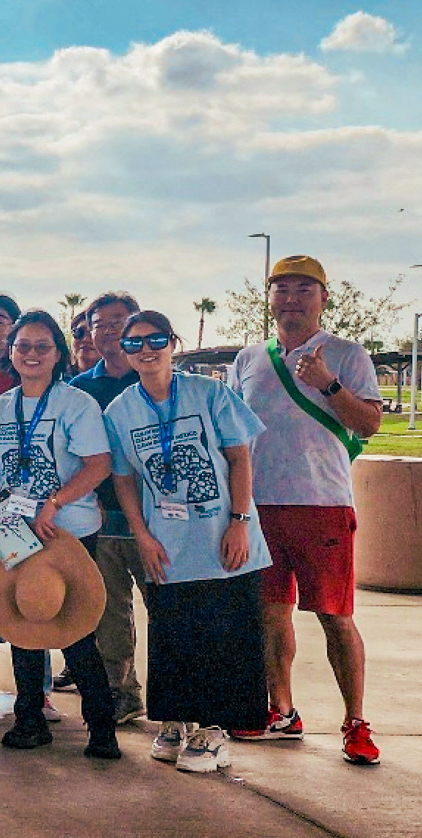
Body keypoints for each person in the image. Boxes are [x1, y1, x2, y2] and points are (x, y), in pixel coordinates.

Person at [228, 256, 383, 764]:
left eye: (304, 289)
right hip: (260, 504)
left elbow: (369, 425)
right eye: (281, 289)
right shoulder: (249, 359)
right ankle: (281, 711)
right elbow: (231, 433)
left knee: (335, 615)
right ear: (269, 298)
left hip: (323, 504)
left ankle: (356, 722)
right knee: (270, 614)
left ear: (324, 298)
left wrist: (328, 383)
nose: (291, 298)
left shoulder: (347, 354)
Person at [105, 310, 271, 774]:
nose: (146, 349)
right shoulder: (121, 411)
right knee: (174, 633)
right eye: (134, 343)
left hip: (222, 539)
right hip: (168, 542)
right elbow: (123, 479)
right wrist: (141, 535)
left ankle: (214, 730)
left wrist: (238, 520)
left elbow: (239, 459)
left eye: (155, 339)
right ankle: (176, 721)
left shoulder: (209, 392)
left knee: (225, 633)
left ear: (172, 343)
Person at [0, 310, 120, 759]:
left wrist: (53, 503)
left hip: (67, 529)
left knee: (76, 627)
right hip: (12, 526)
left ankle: (102, 728)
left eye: (42, 346)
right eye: (23, 346)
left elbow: (99, 464)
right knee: (23, 624)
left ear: (58, 353)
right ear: (11, 352)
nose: (31, 354)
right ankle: (30, 720)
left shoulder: (76, 404)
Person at [67, 291, 148, 724]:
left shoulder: (154, 379)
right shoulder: (79, 390)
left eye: (121, 321)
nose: (111, 330)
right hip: (101, 519)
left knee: (168, 610)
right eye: (101, 323)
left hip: (157, 520)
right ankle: (121, 691)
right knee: (109, 611)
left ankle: (179, 699)